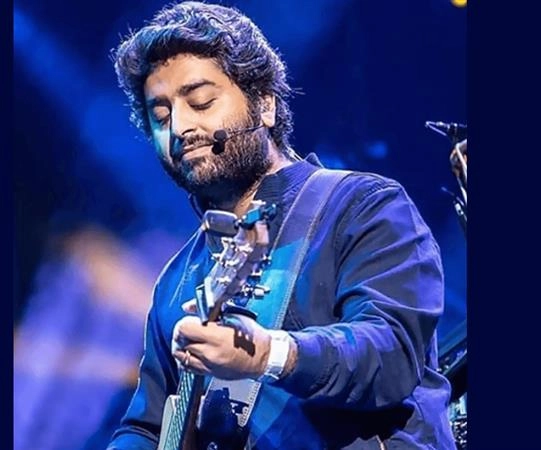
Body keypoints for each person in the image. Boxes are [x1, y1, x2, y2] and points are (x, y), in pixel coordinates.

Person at [107, 2, 456, 448]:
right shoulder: (175, 282)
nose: (180, 127)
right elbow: (146, 427)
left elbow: (390, 354)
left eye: (201, 102)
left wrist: (268, 355)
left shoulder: (364, 205)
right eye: (160, 116)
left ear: (265, 104)